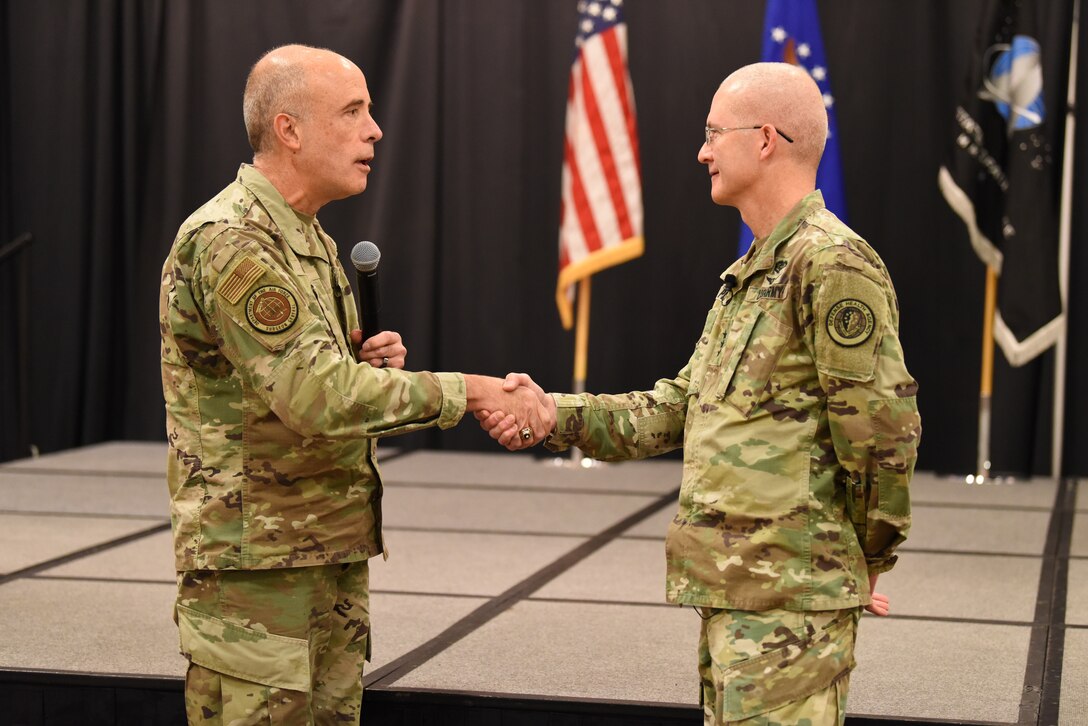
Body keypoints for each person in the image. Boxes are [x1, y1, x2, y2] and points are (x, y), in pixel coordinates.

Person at [479, 62, 919, 725]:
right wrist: (553, 415)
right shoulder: (750, 273)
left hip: (790, 601)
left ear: (765, 139)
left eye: (715, 132)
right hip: (736, 593)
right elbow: (677, 410)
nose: (703, 150)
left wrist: (866, 557)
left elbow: (880, 432)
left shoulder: (831, 263)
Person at [159, 44, 553, 725]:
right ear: (289, 130)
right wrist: (478, 391)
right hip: (257, 576)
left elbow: (317, 385)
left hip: (319, 552)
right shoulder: (233, 241)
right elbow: (317, 397)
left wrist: (359, 368)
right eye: (352, 111)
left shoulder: (306, 239)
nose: (374, 130)